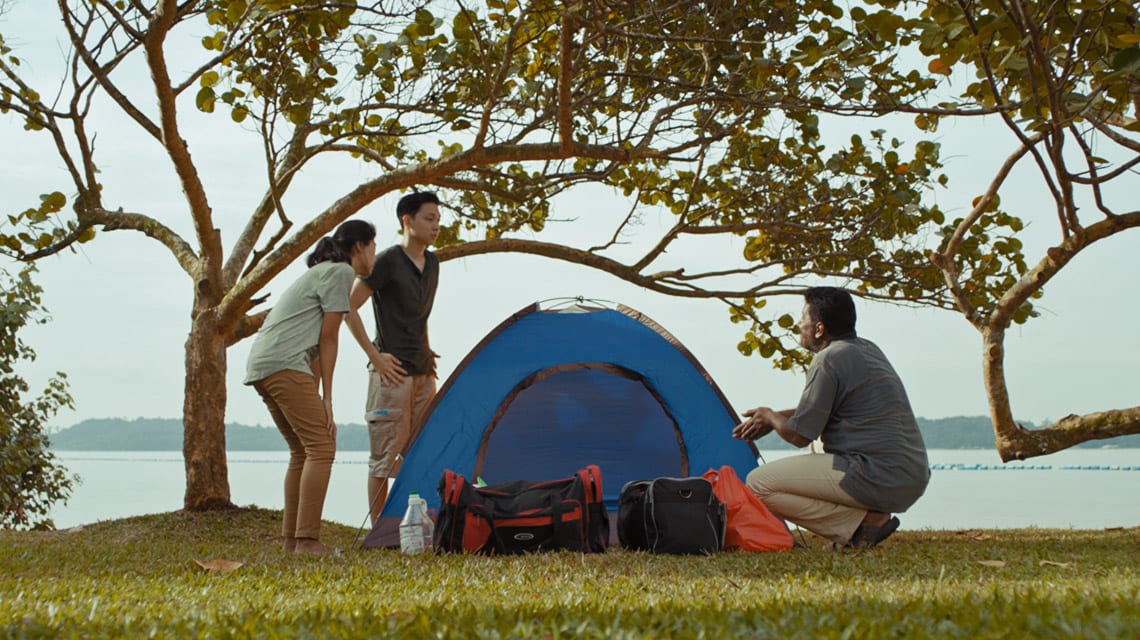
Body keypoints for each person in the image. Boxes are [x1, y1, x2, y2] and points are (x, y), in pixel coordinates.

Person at [732, 286, 929, 549]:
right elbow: (823, 410)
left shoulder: (829, 359)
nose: (799, 325)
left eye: (803, 318)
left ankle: (859, 526)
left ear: (819, 328)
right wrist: (775, 418)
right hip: (911, 476)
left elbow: (799, 435)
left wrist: (769, 415)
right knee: (819, 445)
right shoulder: (867, 349)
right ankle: (864, 522)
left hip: (877, 474)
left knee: (759, 484)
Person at [244, 220, 377, 555]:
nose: (374, 254)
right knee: (321, 447)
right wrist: (328, 399)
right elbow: (329, 337)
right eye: (373, 246)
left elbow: (314, 341)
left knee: (303, 451)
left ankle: (293, 542)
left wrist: (318, 393)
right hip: (285, 364)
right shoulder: (341, 272)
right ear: (359, 246)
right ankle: (307, 541)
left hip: (264, 365)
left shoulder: (321, 272)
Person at [344, 191, 441, 523]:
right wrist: (375, 355)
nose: (436, 226)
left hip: (424, 374)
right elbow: (347, 307)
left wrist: (426, 350)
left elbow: (419, 316)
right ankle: (378, 531)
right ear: (407, 221)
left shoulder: (433, 263)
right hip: (391, 375)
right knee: (384, 459)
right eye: (429, 218)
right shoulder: (386, 260)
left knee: (422, 454)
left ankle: (415, 523)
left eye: (438, 220)